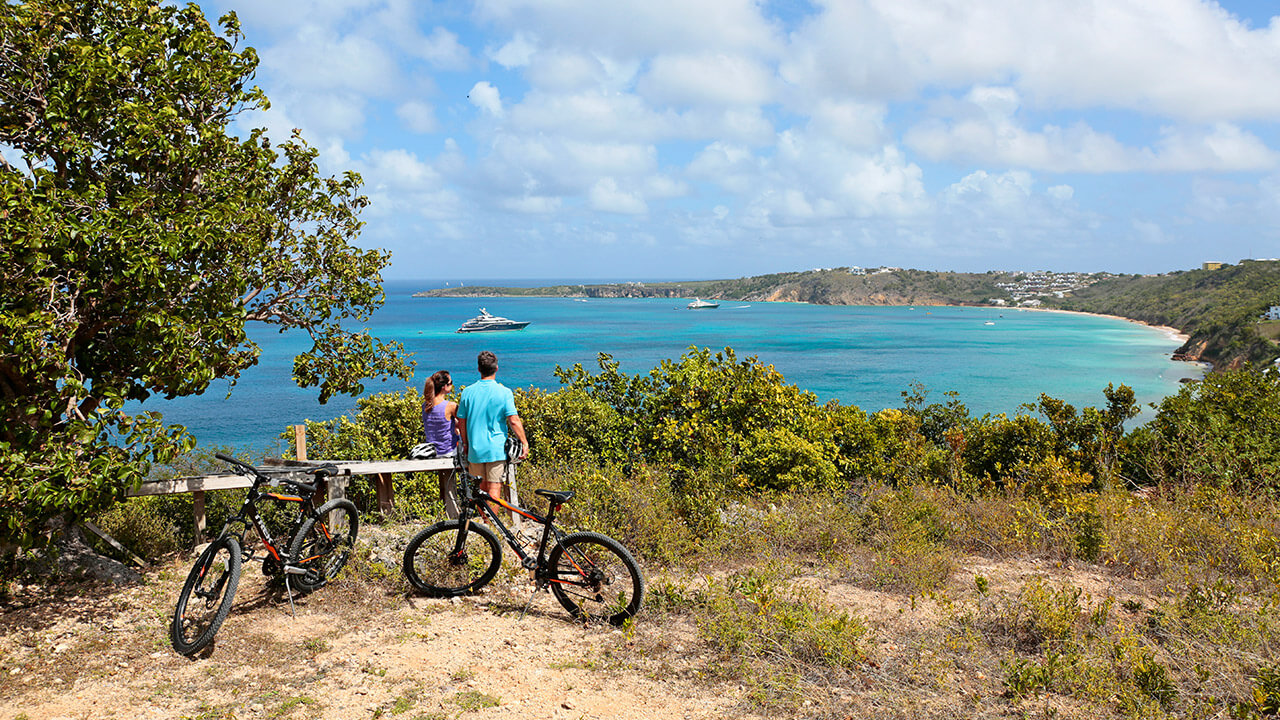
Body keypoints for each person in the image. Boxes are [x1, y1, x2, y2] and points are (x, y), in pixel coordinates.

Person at [456, 350, 528, 522]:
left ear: (479, 369)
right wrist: (524, 442)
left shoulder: (467, 392)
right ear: (496, 368)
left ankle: (484, 525)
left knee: (480, 488)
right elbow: (514, 420)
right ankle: (491, 525)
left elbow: (461, 421)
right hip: (496, 449)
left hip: (475, 449)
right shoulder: (504, 392)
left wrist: (465, 443)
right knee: (495, 488)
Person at [421, 370, 461, 518]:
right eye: (450, 383)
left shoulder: (426, 405)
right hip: (448, 452)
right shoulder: (450, 405)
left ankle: (447, 509)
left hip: (432, 452)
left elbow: (440, 425)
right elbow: (464, 422)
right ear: (444, 387)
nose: (452, 385)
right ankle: (455, 511)